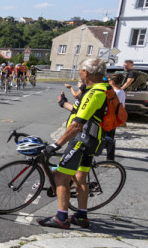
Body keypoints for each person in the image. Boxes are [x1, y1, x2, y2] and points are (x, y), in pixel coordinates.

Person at [38, 58, 110, 229]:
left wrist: (57, 144)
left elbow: (77, 124)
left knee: (61, 176)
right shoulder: (104, 89)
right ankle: (81, 216)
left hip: (81, 140)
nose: (79, 73)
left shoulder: (94, 93)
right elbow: (82, 111)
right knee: (80, 177)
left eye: (79, 71)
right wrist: (64, 104)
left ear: (86, 72)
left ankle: (61, 218)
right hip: (93, 140)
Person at [105, 73, 126, 161]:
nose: (108, 82)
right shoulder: (122, 91)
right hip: (115, 117)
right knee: (110, 136)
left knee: (109, 138)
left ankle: (110, 159)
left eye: (109, 80)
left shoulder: (114, 92)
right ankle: (110, 158)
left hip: (109, 117)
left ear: (112, 82)